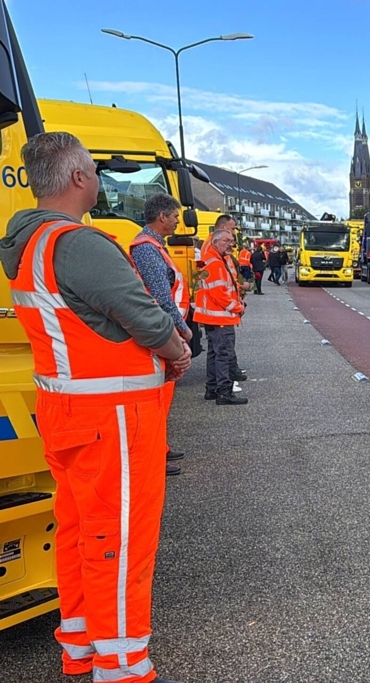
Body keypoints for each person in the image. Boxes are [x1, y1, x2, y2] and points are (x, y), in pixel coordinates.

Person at [0, 132, 190, 683]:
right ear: (79, 177)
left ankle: (81, 646)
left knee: (79, 530)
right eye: (95, 171)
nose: (99, 181)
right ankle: (123, 664)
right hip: (116, 419)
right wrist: (176, 353)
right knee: (122, 539)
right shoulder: (79, 244)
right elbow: (146, 317)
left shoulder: (27, 244)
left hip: (67, 411)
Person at [130, 193, 193, 477]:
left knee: (163, 400)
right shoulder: (147, 248)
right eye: (176, 216)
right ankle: (154, 455)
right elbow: (160, 295)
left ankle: (160, 448)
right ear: (162, 217)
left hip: (163, 329)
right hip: (162, 331)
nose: (178, 221)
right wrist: (181, 328)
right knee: (156, 400)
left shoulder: (153, 246)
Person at [195, 228, 249, 405]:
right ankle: (224, 394)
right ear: (215, 241)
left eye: (231, 241)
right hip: (220, 318)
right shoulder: (216, 263)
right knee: (223, 355)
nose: (230, 244)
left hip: (211, 318)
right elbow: (220, 294)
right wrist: (238, 307)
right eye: (226, 241)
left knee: (214, 354)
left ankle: (212, 390)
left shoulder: (213, 259)